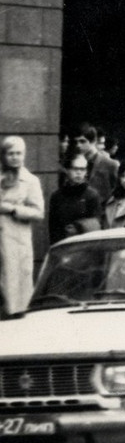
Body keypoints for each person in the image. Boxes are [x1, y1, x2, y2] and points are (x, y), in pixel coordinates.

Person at [1, 136, 45, 319]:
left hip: (16, 244)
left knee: (15, 294)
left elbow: (39, 213)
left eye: (18, 153)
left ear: (24, 155)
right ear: (3, 155)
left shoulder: (30, 181)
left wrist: (12, 209)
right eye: (10, 153)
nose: (14, 157)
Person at [48, 152, 102, 243]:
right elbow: (53, 229)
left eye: (82, 169)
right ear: (67, 170)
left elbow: (96, 223)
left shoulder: (92, 195)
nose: (79, 172)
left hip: (85, 243)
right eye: (75, 168)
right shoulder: (57, 196)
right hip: (63, 244)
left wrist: (78, 227)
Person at [70, 122, 118, 205]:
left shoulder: (110, 164)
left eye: (82, 141)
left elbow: (118, 191)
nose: (78, 145)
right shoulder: (74, 163)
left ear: (93, 141)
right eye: (76, 142)